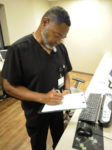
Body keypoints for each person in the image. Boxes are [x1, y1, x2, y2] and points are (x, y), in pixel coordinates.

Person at [2, 6, 72, 150]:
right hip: (36, 112)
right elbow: (8, 86)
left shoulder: (60, 48)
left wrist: (67, 89)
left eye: (62, 37)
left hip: (58, 106)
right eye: (57, 35)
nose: (59, 41)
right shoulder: (19, 49)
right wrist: (43, 98)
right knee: (39, 144)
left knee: (60, 139)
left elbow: (66, 72)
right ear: (45, 22)